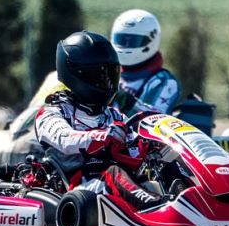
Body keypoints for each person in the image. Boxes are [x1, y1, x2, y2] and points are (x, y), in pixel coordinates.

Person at [34, 30, 165, 212]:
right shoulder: (52, 113)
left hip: (119, 183)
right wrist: (102, 136)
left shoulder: (113, 115)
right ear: (77, 74)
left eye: (110, 74)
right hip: (81, 186)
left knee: (165, 165)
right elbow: (64, 139)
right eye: (100, 75)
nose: (107, 82)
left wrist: (149, 145)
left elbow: (133, 144)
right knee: (114, 173)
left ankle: (189, 201)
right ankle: (156, 210)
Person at [110, 9, 182, 116]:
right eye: (122, 40)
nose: (126, 45)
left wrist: (127, 101)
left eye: (132, 41)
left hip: (136, 132)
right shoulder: (109, 74)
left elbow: (157, 119)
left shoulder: (165, 82)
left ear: (151, 40)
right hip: (103, 131)